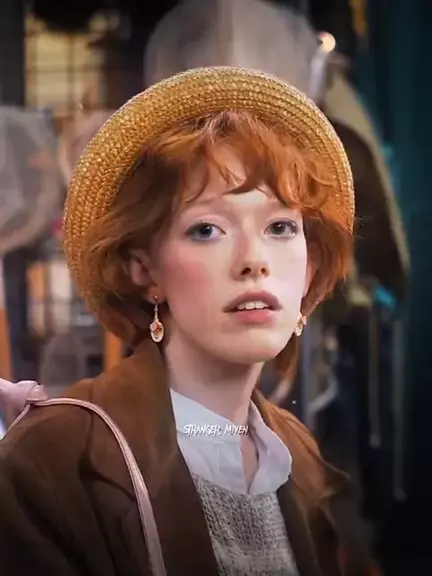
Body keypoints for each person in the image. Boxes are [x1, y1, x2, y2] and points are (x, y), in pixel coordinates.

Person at [0, 67, 359, 575]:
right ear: (144, 269)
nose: (254, 260)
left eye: (280, 226)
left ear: (311, 268)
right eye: (207, 229)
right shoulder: (58, 456)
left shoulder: (297, 454)